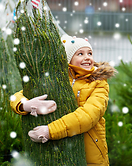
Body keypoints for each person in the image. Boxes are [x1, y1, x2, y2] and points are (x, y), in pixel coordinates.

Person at [10, 35, 117, 166]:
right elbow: (16, 96)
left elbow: (88, 116)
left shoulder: (98, 83)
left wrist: (50, 131)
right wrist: (25, 105)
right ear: (68, 59)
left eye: (90, 53)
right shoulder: (58, 78)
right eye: (80, 53)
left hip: (89, 153)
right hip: (60, 150)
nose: (87, 57)